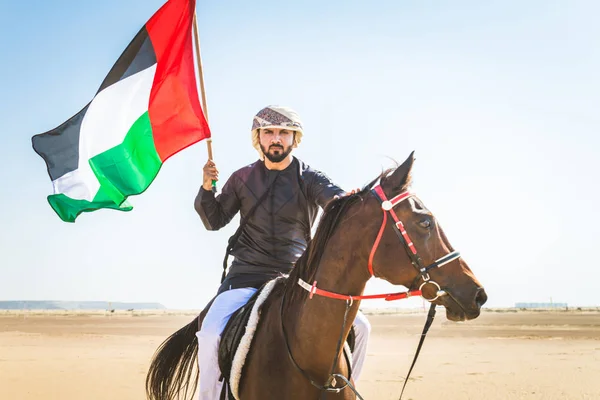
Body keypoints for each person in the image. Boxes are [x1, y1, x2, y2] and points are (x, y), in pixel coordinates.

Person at [193, 105, 371, 399]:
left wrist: (350, 201)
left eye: (284, 133)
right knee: (211, 333)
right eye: (269, 132)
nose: (276, 138)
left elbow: (335, 200)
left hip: (296, 279)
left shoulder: (309, 177)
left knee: (362, 327)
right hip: (245, 277)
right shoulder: (241, 178)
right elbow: (214, 221)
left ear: (294, 139)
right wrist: (206, 188)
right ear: (258, 138)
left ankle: (347, 391)